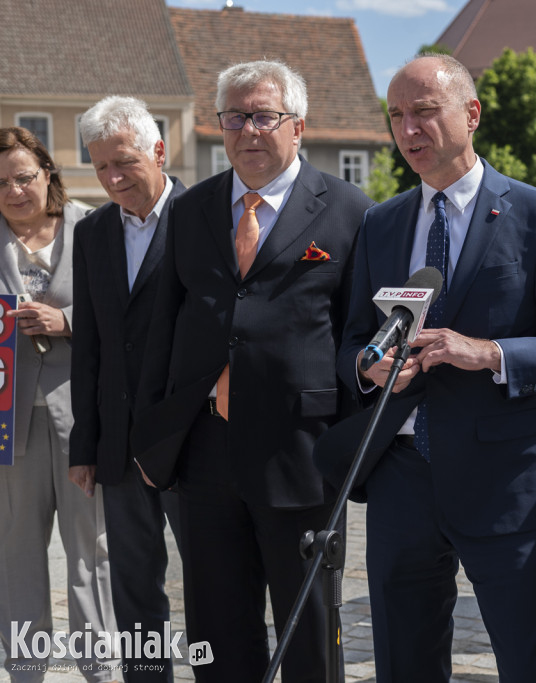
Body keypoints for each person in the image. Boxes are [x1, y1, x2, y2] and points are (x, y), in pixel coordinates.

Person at [337, 53, 536, 682]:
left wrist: (487, 353)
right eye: (398, 116)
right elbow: (353, 336)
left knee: (525, 663)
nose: (409, 130)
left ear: (471, 113)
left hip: (504, 481)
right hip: (401, 480)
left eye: (425, 112)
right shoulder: (381, 223)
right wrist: (368, 364)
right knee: (403, 665)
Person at [132, 60, 372, 683]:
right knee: (216, 629)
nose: (248, 131)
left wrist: (349, 443)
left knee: (309, 631)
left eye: (264, 116)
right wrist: (157, 430)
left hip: (303, 454)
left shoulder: (350, 211)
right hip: (206, 452)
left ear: (298, 126)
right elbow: (166, 323)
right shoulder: (192, 210)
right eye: (235, 117)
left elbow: (357, 334)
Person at [71, 96, 185, 683]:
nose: (113, 179)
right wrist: (86, 445)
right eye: (101, 169)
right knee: (135, 591)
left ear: (159, 151)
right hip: (119, 445)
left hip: (194, 443)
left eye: (125, 163)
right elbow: (89, 345)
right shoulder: (90, 232)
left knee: (217, 586)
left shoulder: (208, 217)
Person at [0, 127, 119, 681]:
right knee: (16, 554)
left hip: (83, 419)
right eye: (1, 182)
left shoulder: (95, 227)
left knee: (90, 553)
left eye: (23, 176)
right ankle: (26, 670)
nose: (14, 191)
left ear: (48, 173)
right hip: (9, 423)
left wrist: (66, 322)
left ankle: (99, 668)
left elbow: (123, 314)